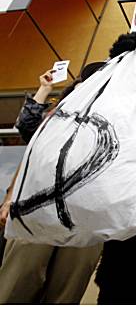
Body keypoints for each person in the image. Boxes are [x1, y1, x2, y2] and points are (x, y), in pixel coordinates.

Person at [0, 63, 104, 304]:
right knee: (20, 277)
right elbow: (27, 129)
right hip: (39, 205)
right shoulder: (57, 117)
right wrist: (45, 89)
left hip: (87, 215)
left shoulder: (118, 117)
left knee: (67, 289)